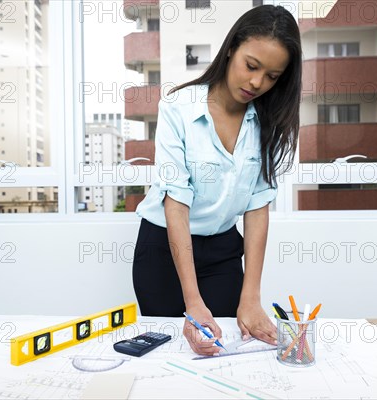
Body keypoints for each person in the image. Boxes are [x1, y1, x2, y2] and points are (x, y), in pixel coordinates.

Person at [132, 5, 302, 356]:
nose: (257, 83)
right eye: (251, 66)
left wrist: (251, 297)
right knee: (169, 354)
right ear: (231, 50)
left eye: (272, 76)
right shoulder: (178, 108)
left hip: (223, 250)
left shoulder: (268, 122)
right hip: (164, 249)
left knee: (225, 352)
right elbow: (175, 206)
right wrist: (192, 301)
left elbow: (257, 208)